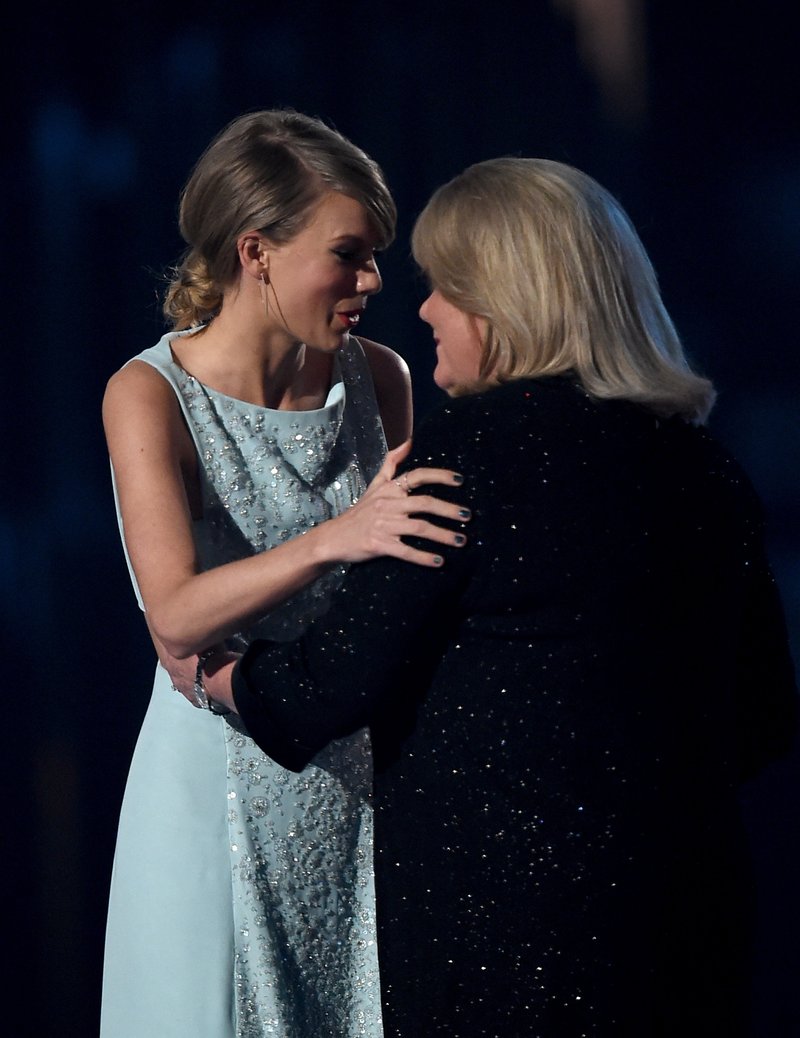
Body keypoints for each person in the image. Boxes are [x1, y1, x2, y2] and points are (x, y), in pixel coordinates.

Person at [183, 157, 798, 1037]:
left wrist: (214, 673)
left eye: (442, 287)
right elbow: (767, 717)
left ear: (503, 304)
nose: (423, 310)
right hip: (691, 935)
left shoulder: (467, 461)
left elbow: (327, 688)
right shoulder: (708, 469)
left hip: (505, 943)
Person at [99, 109, 468, 1038]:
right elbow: (176, 615)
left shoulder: (379, 376)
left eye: (376, 257)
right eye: (349, 254)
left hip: (358, 781)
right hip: (211, 782)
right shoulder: (149, 394)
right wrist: (337, 535)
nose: (373, 282)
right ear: (256, 251)